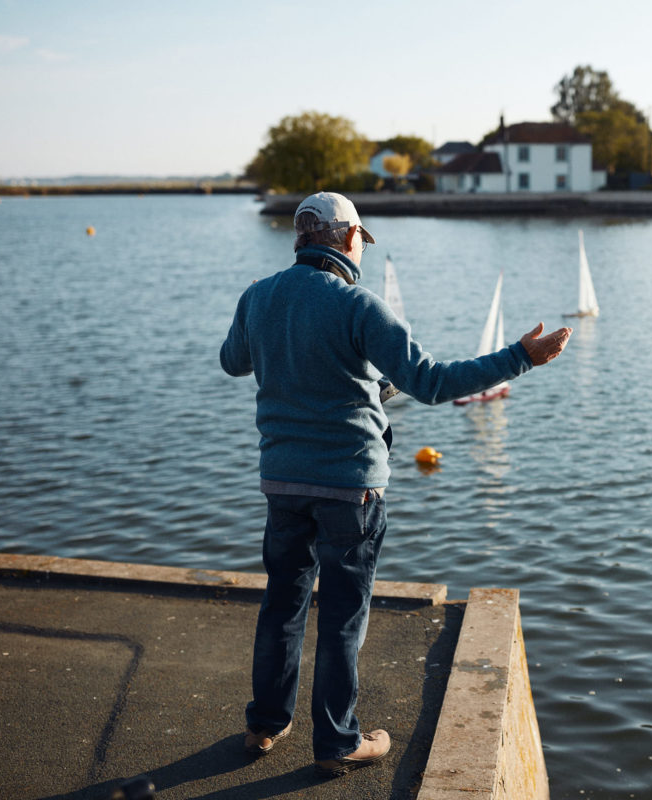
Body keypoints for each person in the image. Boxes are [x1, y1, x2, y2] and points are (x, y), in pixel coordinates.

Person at [219, 191, 571, 779]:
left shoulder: (259, 296)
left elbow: (234, 361)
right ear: (348, 238)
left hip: (281, 481)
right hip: (349, 490)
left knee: (282, 603)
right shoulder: (360, 307)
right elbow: (432, 383)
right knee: (340, 616)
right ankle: (336, 742)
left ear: (301, 238)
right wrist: (521, 358)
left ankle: (266, 723)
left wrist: (272, 330)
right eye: (361, 239)